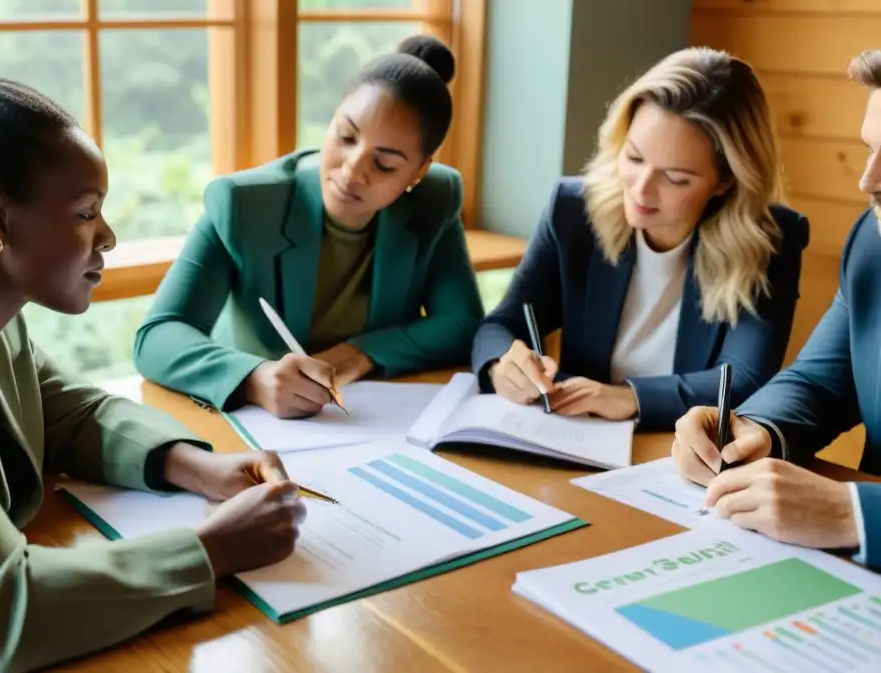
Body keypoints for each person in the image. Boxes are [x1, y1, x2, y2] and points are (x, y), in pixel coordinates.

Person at [0, 36, 307, 673]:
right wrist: (208, 551)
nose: (109, 236)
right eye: (85, 211)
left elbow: (68, 412)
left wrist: (196, 467)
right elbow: (1, 615)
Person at [134, 35, 484, 418]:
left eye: (384, 164)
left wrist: (359, 354)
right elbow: (157, 337)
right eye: (346, 137)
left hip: (372, 420)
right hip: (258, 426)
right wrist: (255, 377)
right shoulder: (244, 204)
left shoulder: (434, 199)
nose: (352, 170)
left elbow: (462, 323)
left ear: (419, 172)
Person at [472, 47, 810, 431]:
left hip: (681, 454)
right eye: (634, 158)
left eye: (676, 177)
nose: (641, 190)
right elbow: (502, 324)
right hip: (576, 436)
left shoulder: (770, 239)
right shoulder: (573, 210)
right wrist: (502, 364)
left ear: (726, 180)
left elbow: (746, 381)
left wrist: (629, 398)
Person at [672, 49, 881, 568]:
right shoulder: (873, 242)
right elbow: (820, 383)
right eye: (870, 150)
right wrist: (753, 431)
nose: (868, 182)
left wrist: (854, 514)